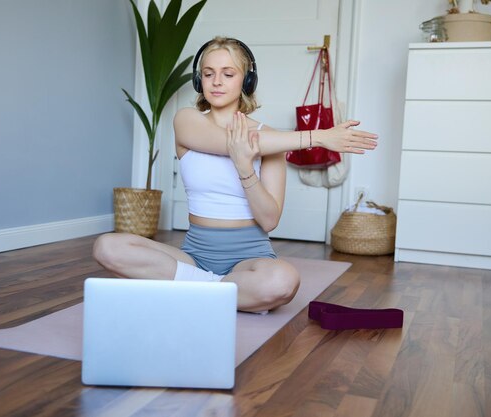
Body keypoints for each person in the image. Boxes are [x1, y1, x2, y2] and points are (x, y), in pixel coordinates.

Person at [93, 36, 378, 313]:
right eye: (208, 73)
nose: (216, 82)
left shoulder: (274, 141)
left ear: (246, 81)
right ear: (199, 80)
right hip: (193, 255)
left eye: (228, 74)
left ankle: (189, 288)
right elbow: (231, 144)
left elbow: (269, 220)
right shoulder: (187, 120)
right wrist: (317, 137)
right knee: (107, 247)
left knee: (282, 281)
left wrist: (245, 170)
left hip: (249, 259)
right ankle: (223, 291)